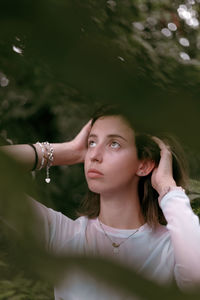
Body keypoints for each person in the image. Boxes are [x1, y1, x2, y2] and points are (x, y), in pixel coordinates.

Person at [1, 104, 200, 299]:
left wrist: (167, 187)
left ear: (144, 164)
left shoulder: (171, 247)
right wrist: (68, 151)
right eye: (92, 143)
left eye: (114, 144)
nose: (94, 155)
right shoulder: (63, 235)